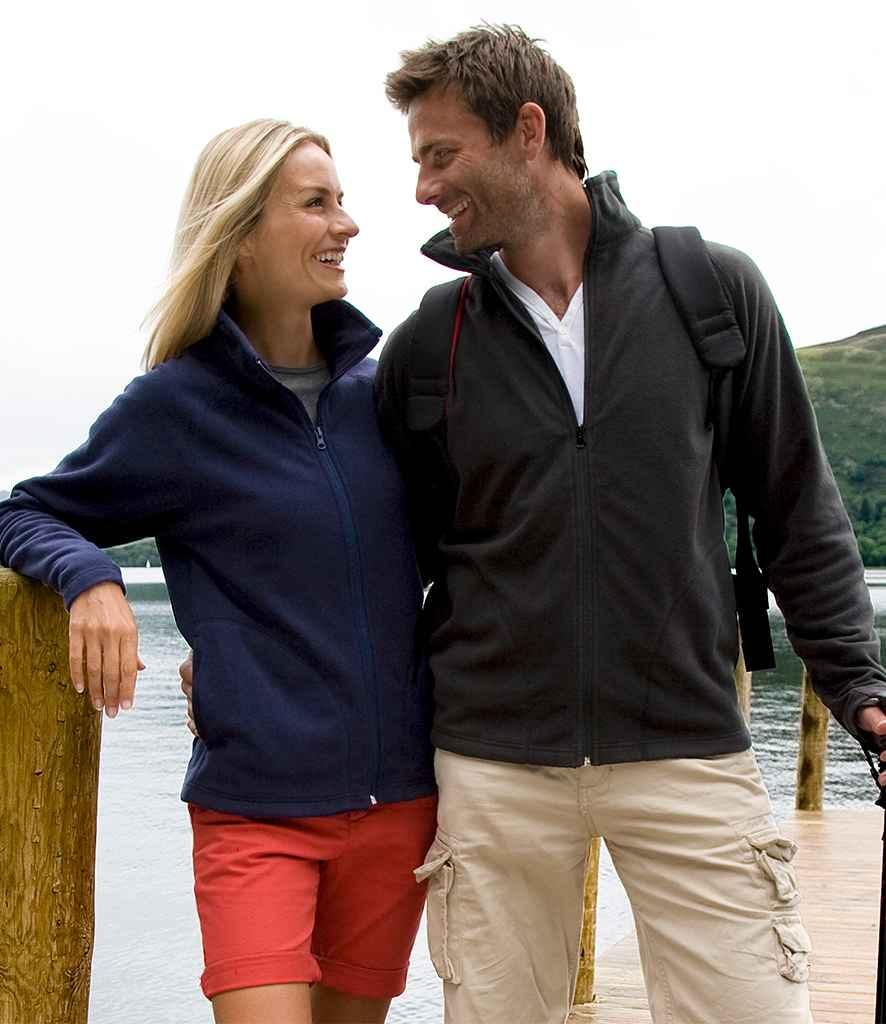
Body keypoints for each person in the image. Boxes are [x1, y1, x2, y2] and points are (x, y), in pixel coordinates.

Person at [371, 24, 886, 1024]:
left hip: (686, 742)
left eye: (441, 154)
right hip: (493, 763)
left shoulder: (708, 290)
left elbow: (795, 507)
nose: (424, 188)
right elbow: (384, 558)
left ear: (528, 132)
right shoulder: (431, 343)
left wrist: (859, 685)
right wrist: (241, 646)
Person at [0, 120, 437, 1024]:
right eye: (315, 203)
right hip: (257, 813)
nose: (347, 224)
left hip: (400, 806)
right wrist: (90, 577)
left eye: (343, 200)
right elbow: (23, 511)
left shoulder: (386, 397)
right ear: (239, 236)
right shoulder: (176, 408)